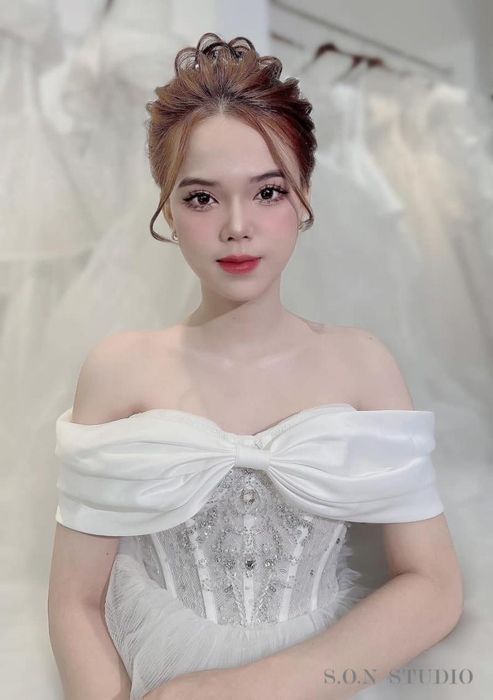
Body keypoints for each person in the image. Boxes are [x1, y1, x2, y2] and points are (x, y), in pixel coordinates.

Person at [48, 32, 463, 700]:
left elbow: (434, 584)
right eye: (201, 198)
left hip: (322, 676)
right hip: (155, 668)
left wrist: (242, 688)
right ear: (166, 209)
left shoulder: (361, 365)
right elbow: (76, 601)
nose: (236, 225)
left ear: (304, 197)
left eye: (267, 192)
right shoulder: (119, 372)